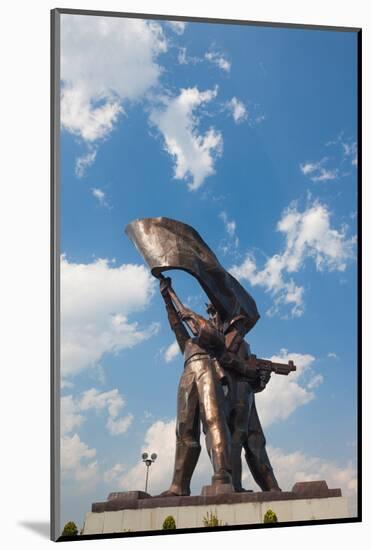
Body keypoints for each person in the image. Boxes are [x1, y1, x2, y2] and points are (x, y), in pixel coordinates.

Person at [158, 277, 233, 497]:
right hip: (188, 372)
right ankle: (178, 485)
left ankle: (222, 476)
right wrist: (167, 298)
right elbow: (175, 325)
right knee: (184, 429)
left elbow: (208, 332)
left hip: (208, 368)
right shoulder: (188, 344)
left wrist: (190, 313)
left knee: (213, 420)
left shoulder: (216, 338)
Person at [206, 303, 281, 492]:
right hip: (235, 393)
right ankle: (235, 486)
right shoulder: (229, 339)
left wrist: (261, 379)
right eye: (240, 324)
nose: (243, 328)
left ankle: (271, 488)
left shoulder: (242, 343)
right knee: (236, 439)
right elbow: (224, 358)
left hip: (246, 394)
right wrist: (250, 370)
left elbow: (253, 380)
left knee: (255, 441)